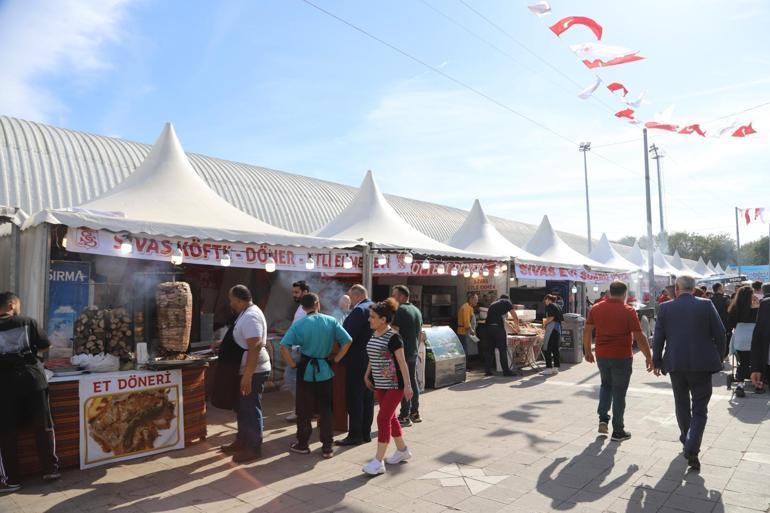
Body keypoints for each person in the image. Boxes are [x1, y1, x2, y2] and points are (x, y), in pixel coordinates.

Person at [653, 276, 726, 471]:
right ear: (693, 289)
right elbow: (720, 333)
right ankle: (692, 445)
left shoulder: (665, 308)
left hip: (676, 363)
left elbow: (658, 337)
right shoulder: (706, 304)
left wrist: (657, 361)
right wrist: (719, 357)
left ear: (676, 288)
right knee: (700, 409)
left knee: (682, 404)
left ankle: (687, 439)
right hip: (702, 364)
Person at [0, 292, 60, 492]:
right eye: (18, 305)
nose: (19, 308)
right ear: (11, 305)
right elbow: (46, 346)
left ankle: (12, 480)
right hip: (32, 380)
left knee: (7, 433)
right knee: (42, 425)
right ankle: (50, 469)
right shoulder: (27, 321)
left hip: (5, 386)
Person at [280, 293, 352, 459]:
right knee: (326, 410)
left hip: (305, 370)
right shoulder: (331, 321)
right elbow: (348, 341)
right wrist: (337, 359)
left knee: (304, 410)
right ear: (317, 304)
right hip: (325, 369)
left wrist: (292, 364)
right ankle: (327, 447)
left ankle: (303, 444)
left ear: (303, 307)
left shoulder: (300, 324)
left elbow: (284, 346)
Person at [583, 281, 654, 442]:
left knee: (605, 385)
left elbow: (587, 330)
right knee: (619, 392)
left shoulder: (596, 308)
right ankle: (618, 430)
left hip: (601, 354)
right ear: (624, 294)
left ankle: (603, 418)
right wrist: (649, 357)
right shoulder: (628, 311)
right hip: (621, 356)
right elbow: (639, 336)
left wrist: (587, 350)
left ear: (609, 292)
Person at [212, 285, 271, 463]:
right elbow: (244, 338)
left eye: (231, 300)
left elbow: (255, 346)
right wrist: (224, 342)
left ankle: (253, 448)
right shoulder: (246, 313)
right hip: (245, 370)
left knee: (250, 409)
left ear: (238, 299)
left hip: (253, 371)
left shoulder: (251, 316)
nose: (231, 304)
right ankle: (242, 441)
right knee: (241, 408)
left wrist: (247, 376)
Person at [362, 299, 414, 475]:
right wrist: (367, 373)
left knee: (383, 418)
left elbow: (402, 362)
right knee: (390, 418)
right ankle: (402, 450)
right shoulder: (375, 333)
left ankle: (378, 461)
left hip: (394, 384)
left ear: (383, 319)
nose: (369, 319)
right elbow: (373, 354)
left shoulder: (394, 337)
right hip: (380, 383)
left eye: (373, 317)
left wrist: (408, 385)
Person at [336, 285, 374, 447]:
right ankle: (366, 433)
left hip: (357, 361)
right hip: (370, 359)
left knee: (355, 398)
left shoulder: (359, 311)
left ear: (356, 296)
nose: (350, 302)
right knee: (367, 397)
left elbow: (347, 335)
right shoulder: (373, 306)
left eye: (351, 298)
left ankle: (355, 434)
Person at [390, 285, 423, 427]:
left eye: (395, 295)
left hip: (403, 352)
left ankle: (404, 415)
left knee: (405, 383)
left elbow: (394, 332)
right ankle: (414, 413)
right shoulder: (416, 310)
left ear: (403, 296)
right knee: (412, 381)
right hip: (413, 351)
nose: (393, 297)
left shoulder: (400, 310)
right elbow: (421, 334)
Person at [285, 280, 311, 422]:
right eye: (293, 292)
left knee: (290, 378)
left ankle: (301, 409)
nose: (294, 295)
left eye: (296, 292)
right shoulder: (301, 308)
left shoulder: (306, 310)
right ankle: (302, 408)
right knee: (295, 380)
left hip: (300, 350)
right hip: (297, 349)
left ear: (305, 292)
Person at [726, 286, 757, 397]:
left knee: (743, 362)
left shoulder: (734, 308)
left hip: (740, 337)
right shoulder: (756, 307)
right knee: (756, 361)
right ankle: (758, 383)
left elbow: (729, 324)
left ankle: (740, 385)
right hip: (754, 337)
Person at [484, 294, 516, 377]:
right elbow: (515, 317)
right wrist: (517, 327)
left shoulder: (493, 304)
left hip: (488, 328)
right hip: (498, 329)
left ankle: (487, 371)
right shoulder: (507, 302)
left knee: (490, 350)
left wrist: (513, 329)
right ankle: (506, 371)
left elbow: (504, 321)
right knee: (502, 350)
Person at [750, 283, 770, 394]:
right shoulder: (765, 304)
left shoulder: (765, 303)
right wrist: (756, 368)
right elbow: (758, 336)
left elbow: (758, 336)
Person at [542, 294, 564, 375]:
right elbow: (562, 321)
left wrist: (544, 324)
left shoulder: (550, 306)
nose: (545, 301)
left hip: (551, 329)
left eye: (545, 300)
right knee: (555, 349)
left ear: (548, 299)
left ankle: (548, 368)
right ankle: (556, 368)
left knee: (547, 348)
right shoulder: (558, 306)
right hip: (558, 329)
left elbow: (551, 318)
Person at [457, 293, 479, 359]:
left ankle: (466, 365)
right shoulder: (466, 307)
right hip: (463, 332)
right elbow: (466, 322)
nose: (477, 301)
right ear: (470, 299)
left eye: (477, 299)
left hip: (467, 332)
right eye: (475, 299)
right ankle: (465, 366)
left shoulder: (470, 307)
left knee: (467, 349)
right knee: (464, 349)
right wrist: (472, 330)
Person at [711, 283, 730, 358]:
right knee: (724, 343)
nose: (724, 289)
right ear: (719, 289)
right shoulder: (726, 299)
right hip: (725, 324)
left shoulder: (710, 300)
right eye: (723, 287)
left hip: (713, 325)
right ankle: (723, 357)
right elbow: (730, 311)